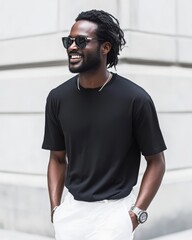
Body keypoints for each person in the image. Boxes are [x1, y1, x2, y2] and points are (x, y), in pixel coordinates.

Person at [42, 9, 166, 240]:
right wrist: (55, 210)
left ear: (105, 47)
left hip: (115, 212)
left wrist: (135, 214)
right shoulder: (57, 98)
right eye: (68, 41)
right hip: (71, 213)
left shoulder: (135, 99)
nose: (72, 47)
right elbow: (57, 159)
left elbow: (156, 162)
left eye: (81, 41)